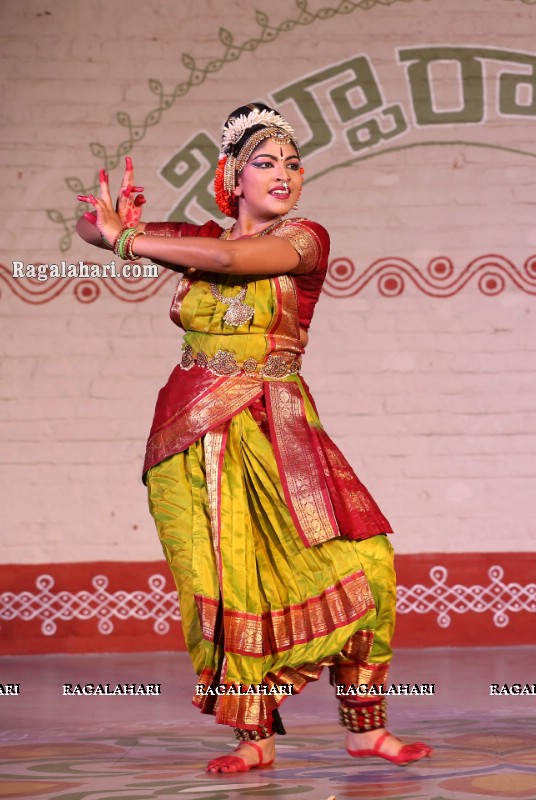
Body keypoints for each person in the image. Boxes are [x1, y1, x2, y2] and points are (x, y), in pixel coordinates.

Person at [75, 103, 432, 773]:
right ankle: (254, 738)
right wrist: (106, 226)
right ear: (233, 178)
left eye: (293, 164)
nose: (284, 175)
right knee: (230, 580)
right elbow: (99, 230)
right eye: (266, 163)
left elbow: (224, 257)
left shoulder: (305, 240)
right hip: (191, 434)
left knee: (371, 565)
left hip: (284, 430)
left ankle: (364, 728)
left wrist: (127, 240)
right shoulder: (193, 234)